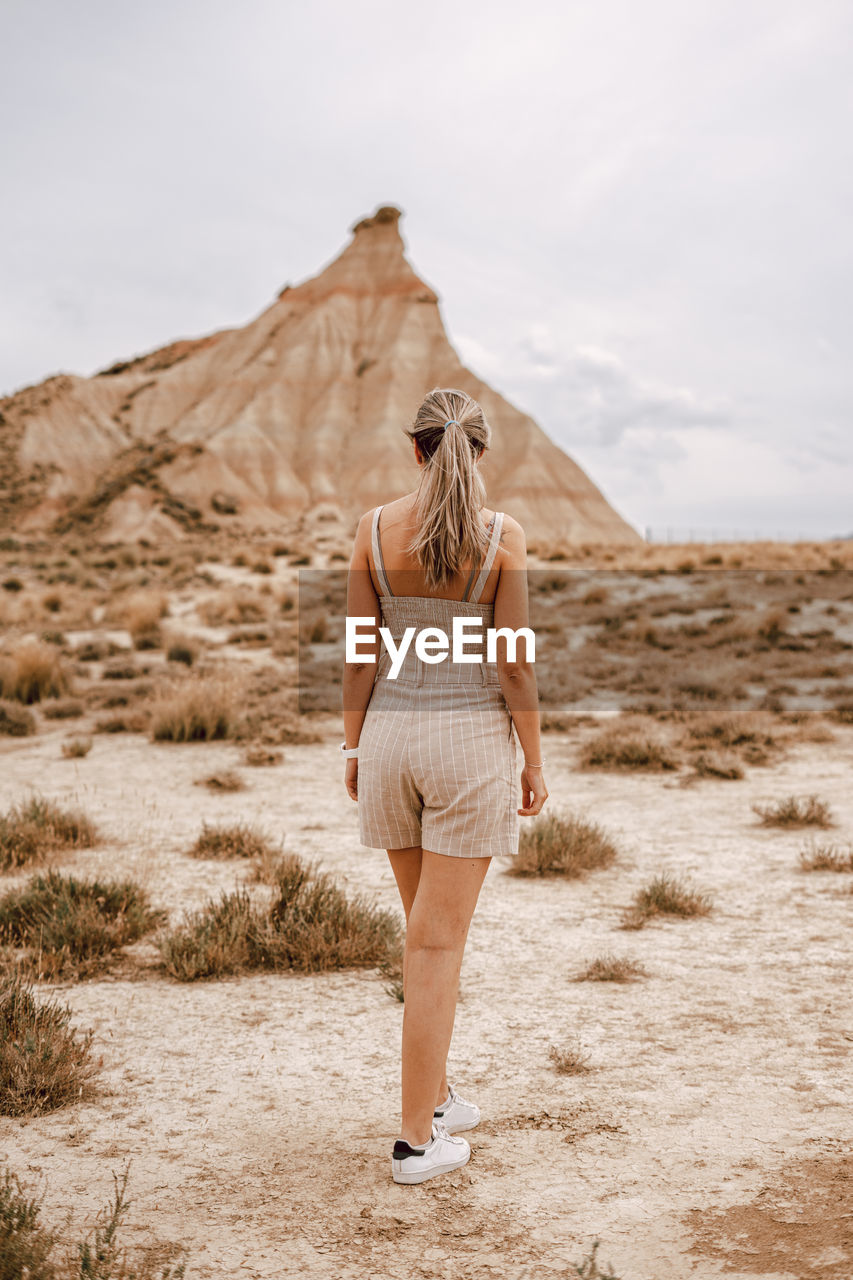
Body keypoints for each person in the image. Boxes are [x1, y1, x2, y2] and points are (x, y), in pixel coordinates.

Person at [342, 386, 547, 1185]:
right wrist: (532, 760)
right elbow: (515, 662)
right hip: (467, 747)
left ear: (418, 449)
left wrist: (352, 747)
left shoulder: (370, 529)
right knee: (435, 945)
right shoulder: (502, 536)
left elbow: (361, 653)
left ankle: (440, 1096)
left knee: (427, 937)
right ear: (479, 453)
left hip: (390, 740)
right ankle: (415, 1144)